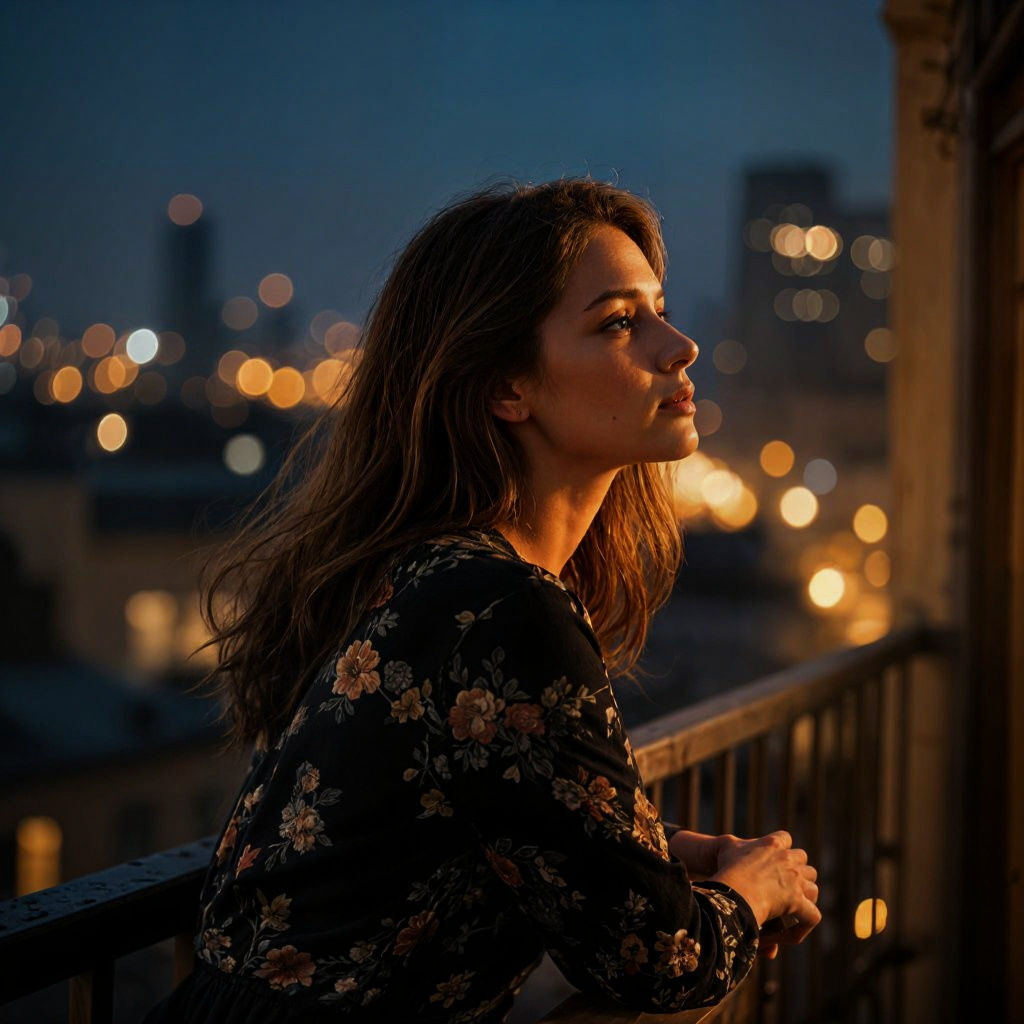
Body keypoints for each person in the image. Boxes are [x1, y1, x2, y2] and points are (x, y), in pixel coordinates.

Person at [139, 177, 820, 1024]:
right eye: (618, 322)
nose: (678, 346)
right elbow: (659, 963)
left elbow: (466, 809)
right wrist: (755, 887)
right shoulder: (501, 608)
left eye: (661, 310)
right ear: (507, 388)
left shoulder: (435, 574)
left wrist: (662, 851)